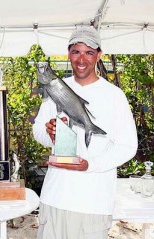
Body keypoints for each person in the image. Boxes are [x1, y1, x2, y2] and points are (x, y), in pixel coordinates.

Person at [33, 26, 138, 239]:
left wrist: (90, 165)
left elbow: (128, 146)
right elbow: (39, 134)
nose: (82, 59)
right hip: (54, 199)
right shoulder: (55, 87)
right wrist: (50, 133)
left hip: (93, 205)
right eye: (76, 52)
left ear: (99, 55)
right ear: (68, 54)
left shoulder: (114, 96)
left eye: (89, 52)